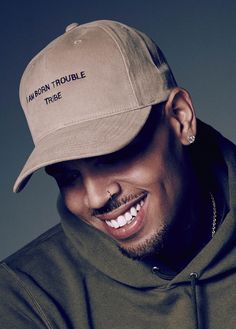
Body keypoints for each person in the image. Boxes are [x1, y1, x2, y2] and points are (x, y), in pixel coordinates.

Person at [0, 19, 235, 329]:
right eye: (68, 176)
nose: (96, 197)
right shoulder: (26, 296)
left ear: (180, 117)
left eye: (111, 156)